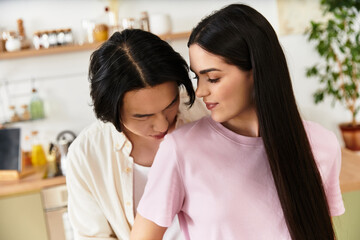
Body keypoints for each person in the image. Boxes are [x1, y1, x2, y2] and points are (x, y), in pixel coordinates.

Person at [131, 4, 345, 240]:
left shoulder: (322, 144)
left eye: (213, 78)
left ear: (255, 72)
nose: (200, 91)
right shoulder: (180, 150)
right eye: (197, 77)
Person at [66, 29, 208, 240]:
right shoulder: (87, 154)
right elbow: (92, 236)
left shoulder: (206, 113)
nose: (162, 125)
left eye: (170, 105)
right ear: (111, 110)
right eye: (143, 116)